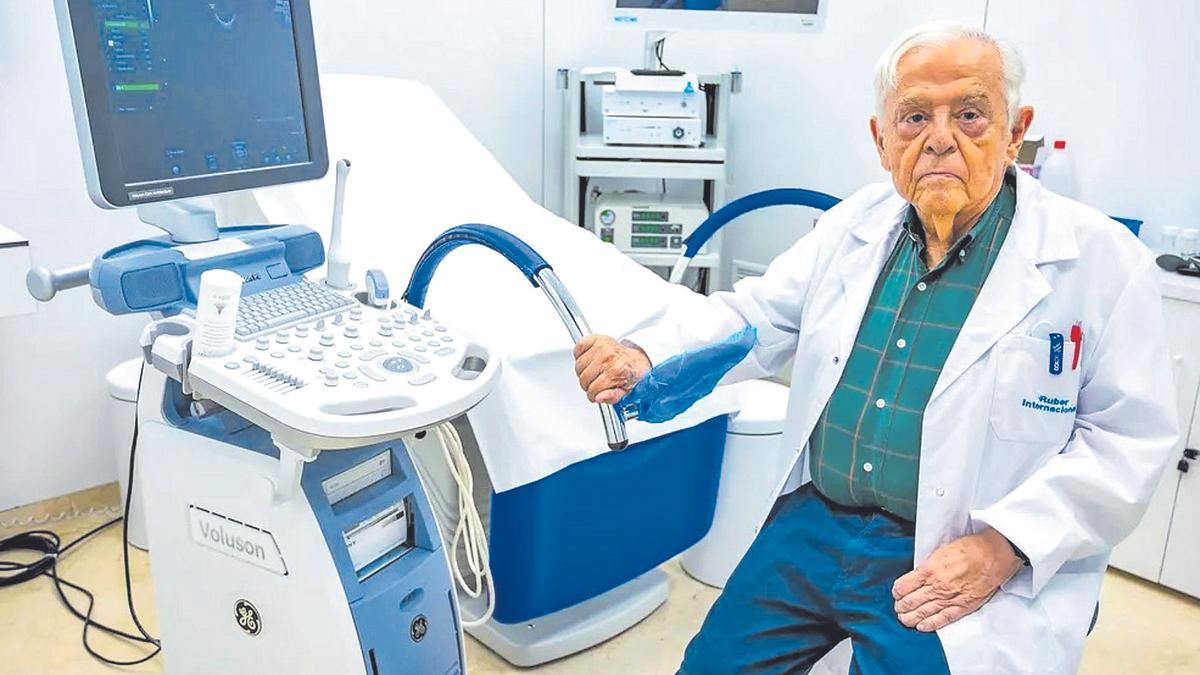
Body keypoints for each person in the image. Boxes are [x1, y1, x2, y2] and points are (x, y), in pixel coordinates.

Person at [573, 21, 1177, 674]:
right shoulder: (851, 229)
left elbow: (1126, 441)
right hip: (817, 524)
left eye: (970, 114)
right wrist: (646, 355)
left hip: (957, 548)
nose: (940, 137)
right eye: (914, 116)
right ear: (882, 140)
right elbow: (755, 318)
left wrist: (1004, 547)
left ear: (1013, 130)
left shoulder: (1100, 261)